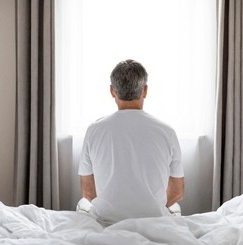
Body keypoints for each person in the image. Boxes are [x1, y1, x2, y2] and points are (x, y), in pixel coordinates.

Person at [78, 59, 185, 225]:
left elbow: (88, 192)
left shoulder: (94, 130)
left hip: (106, 220)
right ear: (145, 91)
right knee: (175, 208)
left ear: (112, 91)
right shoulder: (167, 132)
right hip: (153, 219)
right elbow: (177, 192)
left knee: (82, 205)